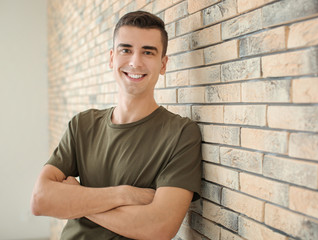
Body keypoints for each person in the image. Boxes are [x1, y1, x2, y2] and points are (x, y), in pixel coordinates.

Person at [31, 11, 202, 240]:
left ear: (163, 64)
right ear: (112, 58)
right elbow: (41, 200)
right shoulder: (82, 125)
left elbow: (159, 227)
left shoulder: (181, 133)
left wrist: (76, 198)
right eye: (126, 50)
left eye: (148, 52)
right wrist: (124, 194)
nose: (135, 61)